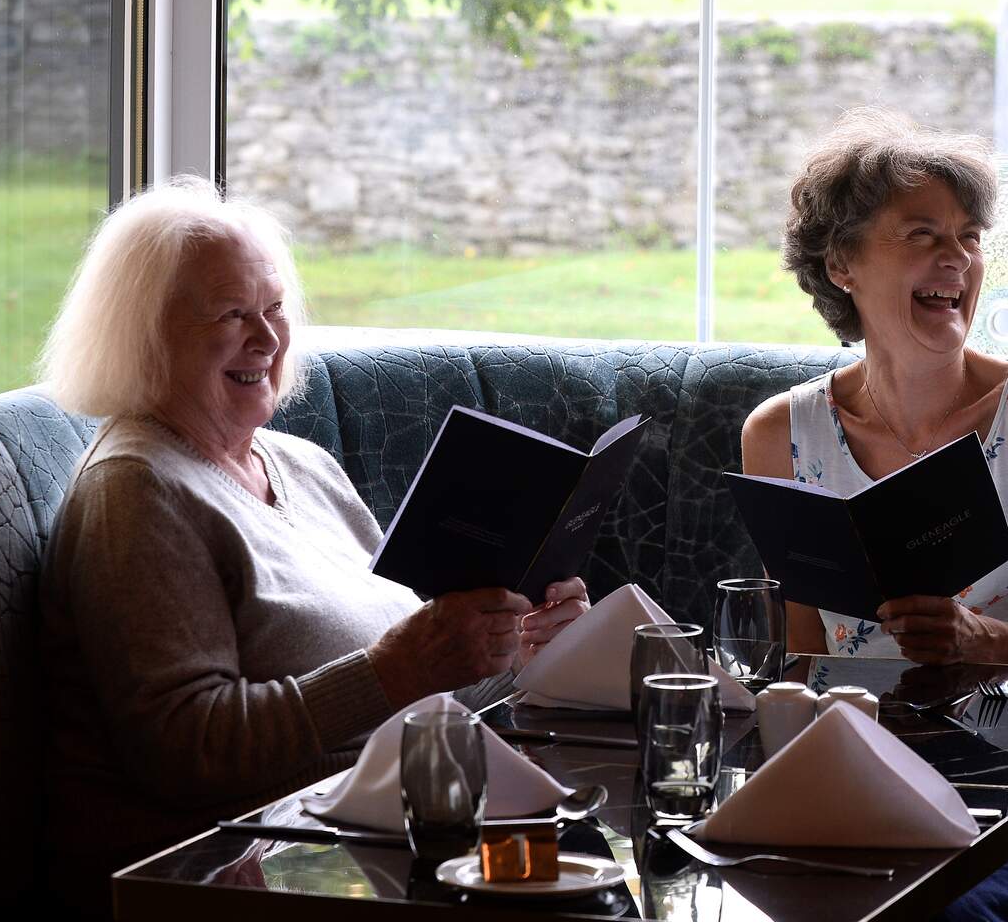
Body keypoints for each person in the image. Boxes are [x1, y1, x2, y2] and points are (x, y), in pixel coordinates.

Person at [36, 177, 592, 917]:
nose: (266, 339)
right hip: (247, 868)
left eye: (273, 310)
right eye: (232, 315)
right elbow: (182, 749)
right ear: (143, 332)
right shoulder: (135, 490)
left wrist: (515, 648)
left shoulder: (298, 462)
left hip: (377, 837)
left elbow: (409, 687)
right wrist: (396, 670)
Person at [742, 107, 1008, 920]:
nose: (956, 258)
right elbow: (805, 660)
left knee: (948, 913)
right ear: (843, 262)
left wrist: (981, 639)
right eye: (922, 235)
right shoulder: (781, 433)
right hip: (870, 765)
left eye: (968, 236)